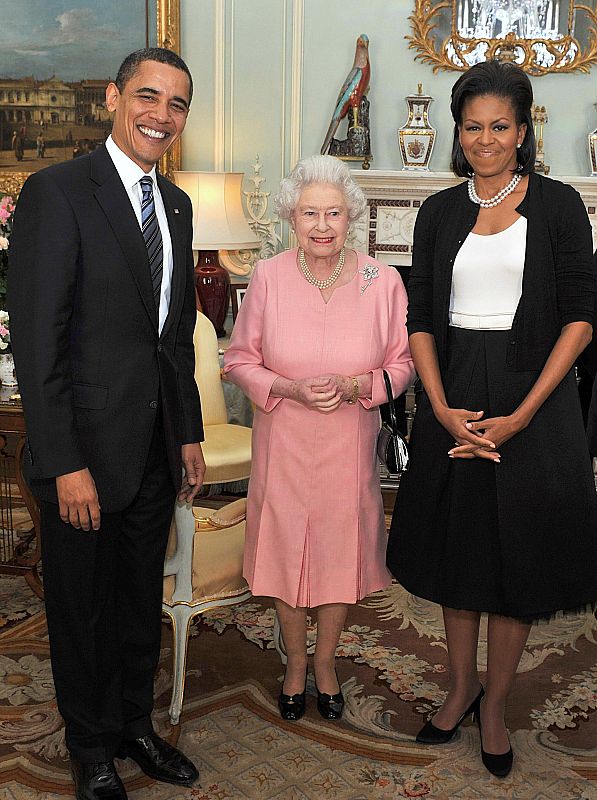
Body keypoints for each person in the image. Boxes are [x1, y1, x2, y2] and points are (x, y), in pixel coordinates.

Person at [387, 60, 597, 779]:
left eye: (498, 126)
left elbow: (579, 317)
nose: (483, 139)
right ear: (457, 131)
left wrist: (524, 413)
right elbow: (418, 317)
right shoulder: (438, 211)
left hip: (533, 401)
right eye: (471, 126)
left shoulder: (560, 205)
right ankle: (458, 689)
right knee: (459, 554)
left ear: (521, 130)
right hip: (454, 398)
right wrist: (438, 406)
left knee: (517, 563)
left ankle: (496, 704)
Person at [9, 48, 205, 800]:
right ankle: (89, 744)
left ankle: (132, 726)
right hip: (83, 456)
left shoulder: (177, 205)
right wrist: (63, 462)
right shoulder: (58, 193)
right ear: (113, 98)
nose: (161, 114)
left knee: (134, 607)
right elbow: (37, 340)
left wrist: (185, 431)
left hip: (153, 450)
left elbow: (173, 334)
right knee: (82, 609)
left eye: (177, 104)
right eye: (147, 96)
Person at [224, 155, 414, 723]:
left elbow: (402, 366)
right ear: (291, 217)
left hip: (349, 444)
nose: (323, 225)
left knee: (339, 553)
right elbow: (238, 360)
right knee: (285, 550)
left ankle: (325, 664)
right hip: (284, 438)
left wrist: (360, 385)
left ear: (351, 215)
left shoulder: (384, 281)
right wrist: (289, 387)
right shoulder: (268, 276)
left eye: (334, 212)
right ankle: (294, 666)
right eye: (310, 213)